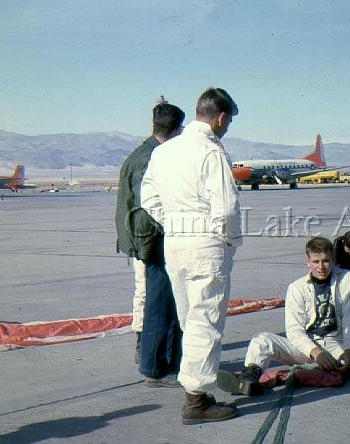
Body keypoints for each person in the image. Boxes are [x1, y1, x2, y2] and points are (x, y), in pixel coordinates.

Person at [141, 87, 242, 424]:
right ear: (221, 117)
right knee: (206, 319)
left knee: (189, 318)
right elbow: (226, 207)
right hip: (205, 243)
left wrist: (173, 222)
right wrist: (225, 239)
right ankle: (196, 401)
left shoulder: (164, 151)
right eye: (228, 123)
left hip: (175, 241)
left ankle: (197, 389)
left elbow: (149, 198)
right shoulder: (211, 151)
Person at [216, 237, 350, 399]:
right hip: (308, 346)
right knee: (262, 340)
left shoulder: (347, 279)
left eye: (326, 261)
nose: (321, 266)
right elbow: (294, 330)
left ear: (333, 260)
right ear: (308, 262)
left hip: (338, 344)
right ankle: (249, 379)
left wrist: (349, 350)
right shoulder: (296, 288)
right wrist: (315, 353)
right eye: (316, 261)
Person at [115, 100, 185, 387]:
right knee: (154, 301)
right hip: (151, 240)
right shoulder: (150, 158)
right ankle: (151, 362)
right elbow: (150, 204)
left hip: (147, 237)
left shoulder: (146, 153)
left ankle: (159, 359)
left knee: (159, 300)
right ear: (177, 130)